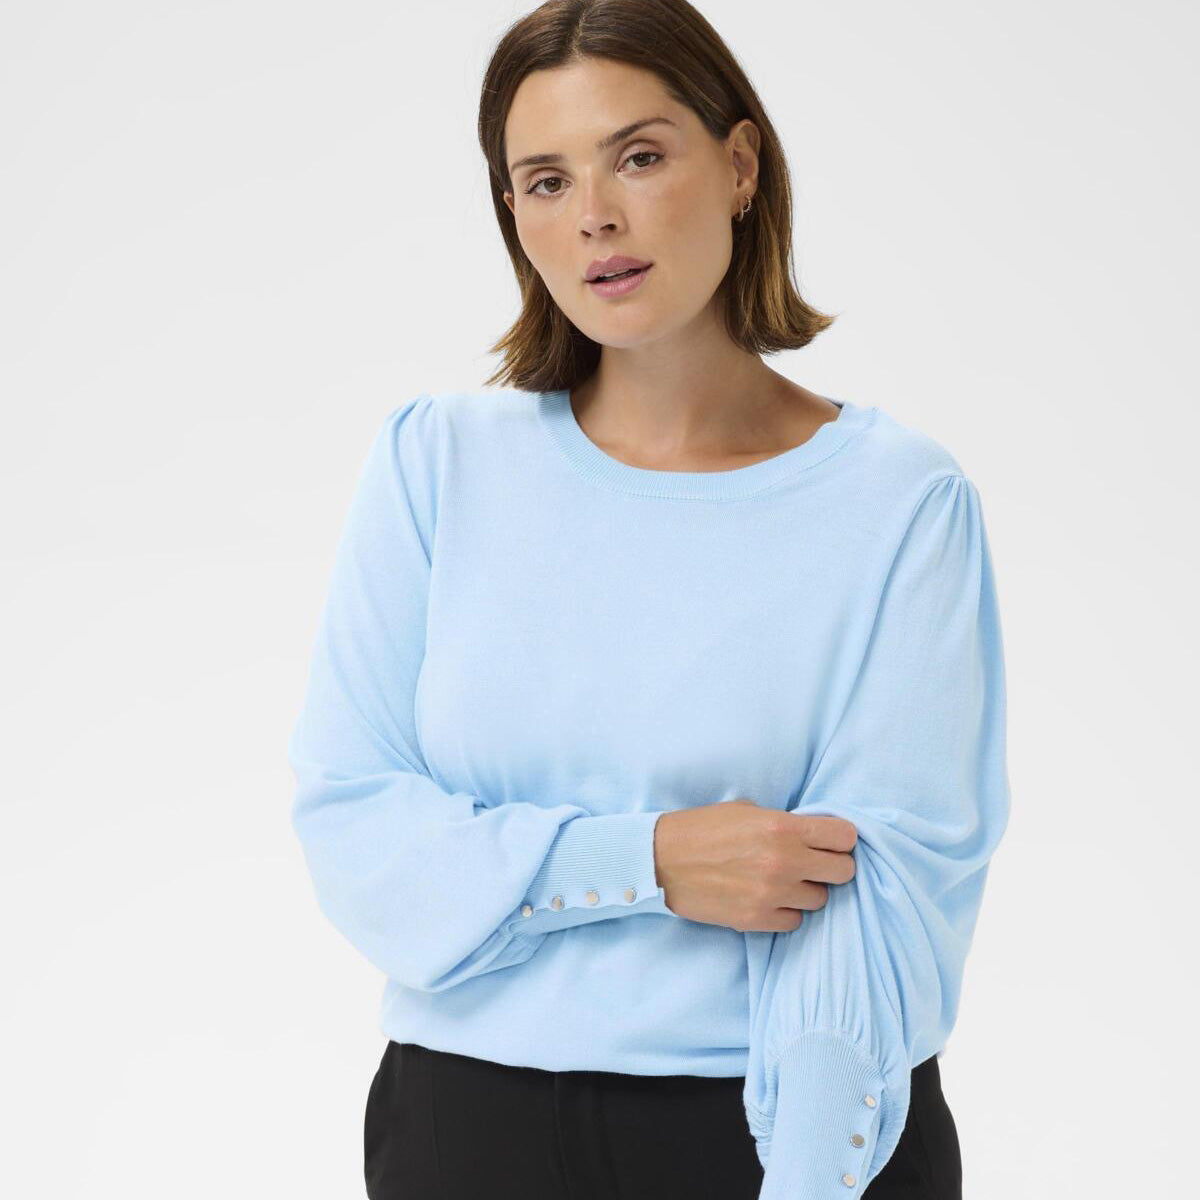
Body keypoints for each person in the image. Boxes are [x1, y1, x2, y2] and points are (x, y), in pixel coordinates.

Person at [287, 2, 1010, 1197]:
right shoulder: (437, 465)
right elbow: (360, 835)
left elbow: (879, 898)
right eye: (546, 181)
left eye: (637, 156)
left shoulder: (895, 503)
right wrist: (653, 860)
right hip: (464, 1130)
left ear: (739, 165)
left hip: (784, 1133)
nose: (595, 218)